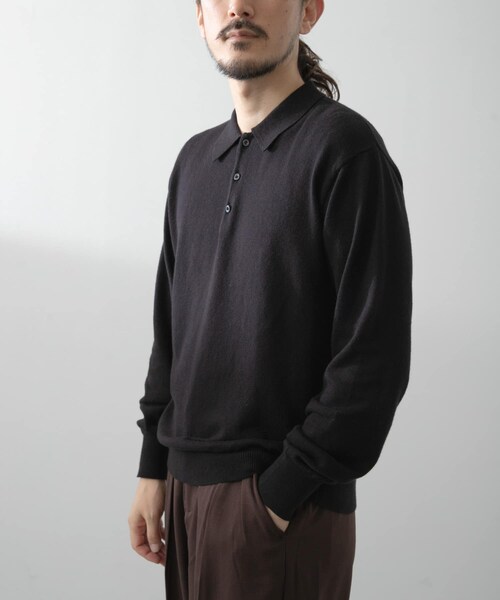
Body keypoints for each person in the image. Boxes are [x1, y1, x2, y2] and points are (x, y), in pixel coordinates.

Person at [128, 1, 413, 598]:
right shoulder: (194, 161)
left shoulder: (345, 149)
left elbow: (373, 357)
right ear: (201, 18)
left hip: (283, 508)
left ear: (310, 12)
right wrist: (153, 466)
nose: (239, 6)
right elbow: (171, 333)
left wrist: (279, 498)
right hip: (183, 492)